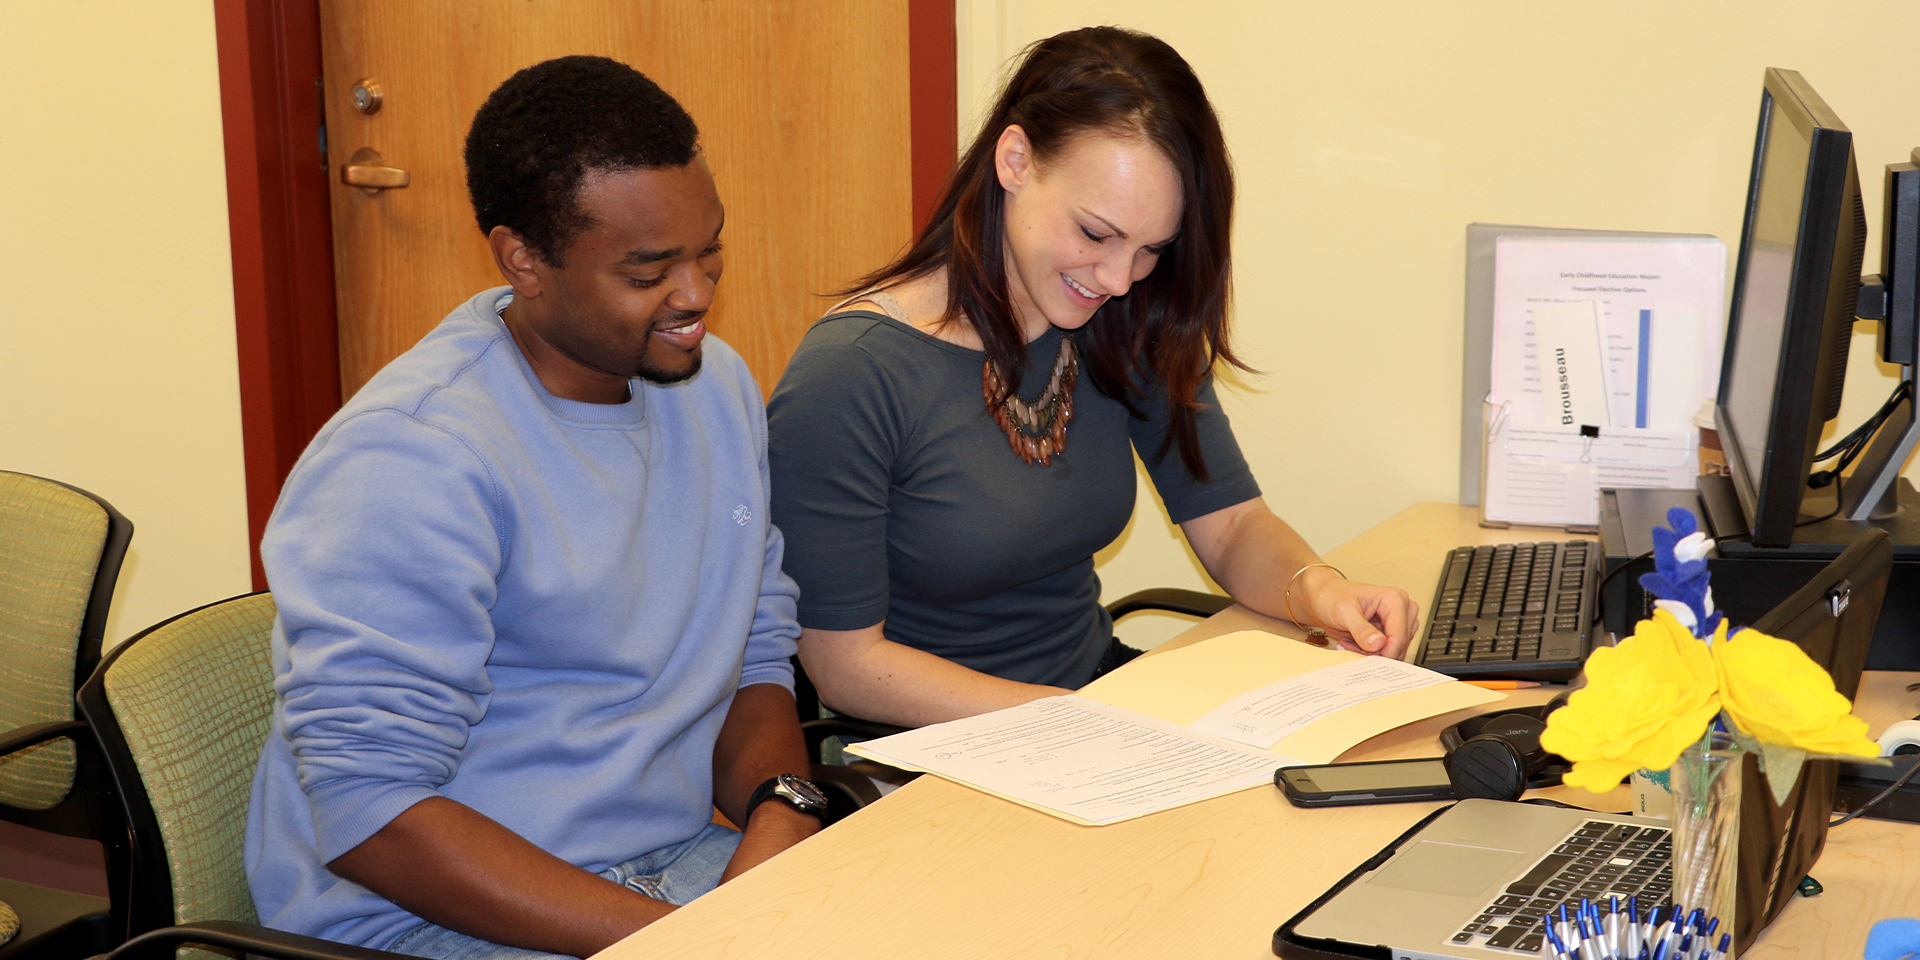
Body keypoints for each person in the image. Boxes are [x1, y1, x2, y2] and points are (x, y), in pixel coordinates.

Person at [246, 56, 826, 960]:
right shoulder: (415, 457)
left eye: (708, 246)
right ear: (525, 260)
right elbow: (371, 815)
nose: (697, 294)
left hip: (665, 874)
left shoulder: (716, 389)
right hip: (431, 919)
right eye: (648, 270)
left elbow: (752, 650)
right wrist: (688, 944)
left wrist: (785, 812)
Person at [766, 26, 1419, 729]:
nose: (1116, 278)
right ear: (1014, 161)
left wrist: (1318, 591)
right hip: (928, 749)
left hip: (1093, 704)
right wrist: (1081, 722)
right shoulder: (853, 374)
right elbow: (847, 669)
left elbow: (1231, 527)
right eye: (1096, 234)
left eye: (1150, 250)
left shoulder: (1129, 317)